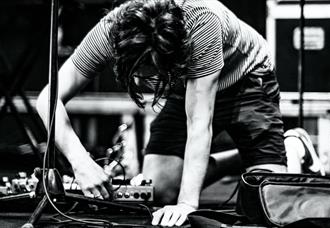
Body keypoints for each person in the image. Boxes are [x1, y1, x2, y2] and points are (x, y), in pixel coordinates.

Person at [36, 0, 287, 226]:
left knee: (266, 196)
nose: (148, 80)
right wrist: (80, 162)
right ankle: (240, 158)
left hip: (247, 78)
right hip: (186, 82)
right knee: (161, 188)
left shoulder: (201, 23)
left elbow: (199, 123)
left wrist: (187, 205)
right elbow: (48, 98)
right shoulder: (110, 31)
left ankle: (292, 145)